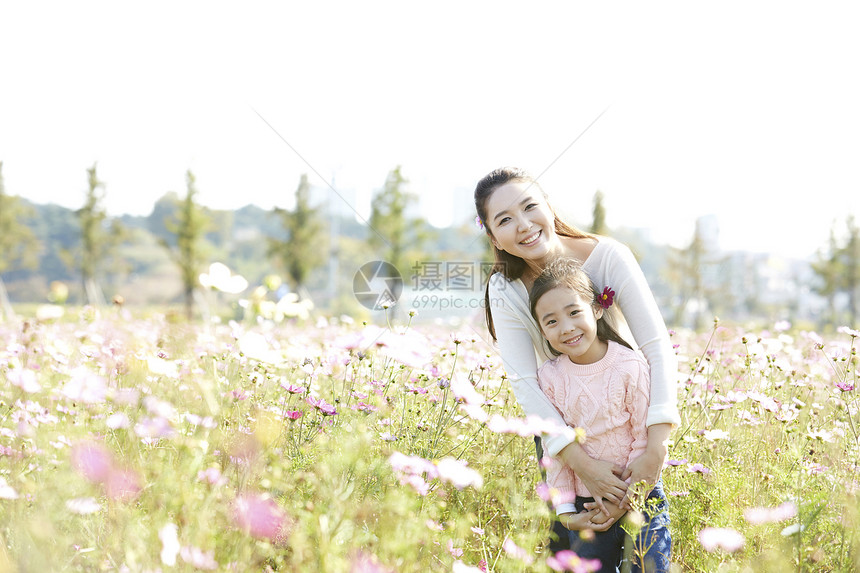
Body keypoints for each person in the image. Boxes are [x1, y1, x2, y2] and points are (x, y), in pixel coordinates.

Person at [474, 167, 680, 546]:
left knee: (645, 546)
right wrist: (582, 465)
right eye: (504, 220)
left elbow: (655, 346)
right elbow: (525, 382)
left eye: (529, 207)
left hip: (631, 422)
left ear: (549, 208)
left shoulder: (608, 256)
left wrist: (656, 447)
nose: (523, 225)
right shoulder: (504, 289)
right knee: (579, 551)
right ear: (494, 237)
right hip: (564, 435)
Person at [530, 257, 671, 572]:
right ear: (540, 329)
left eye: (574, 312)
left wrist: (626, 495)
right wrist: (566, 511)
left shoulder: (629, 365)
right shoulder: (550, 378)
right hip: (587, 506)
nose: (566, 328)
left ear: (597, 308)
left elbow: (643, 436)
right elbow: (557, 450)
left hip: (641, 496)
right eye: (551, 321)